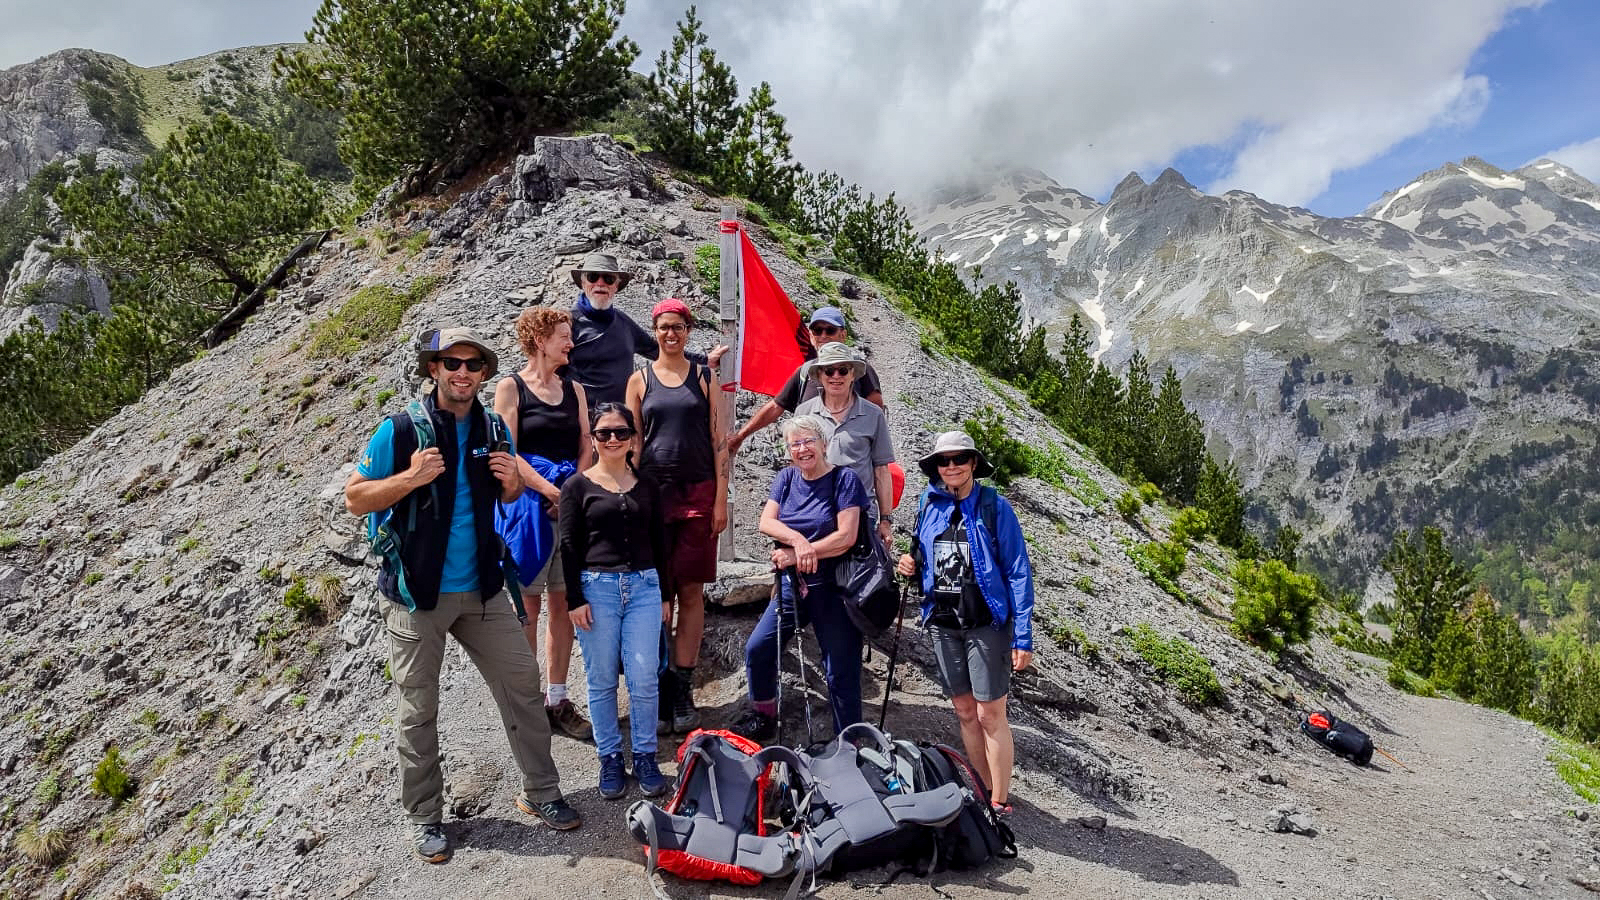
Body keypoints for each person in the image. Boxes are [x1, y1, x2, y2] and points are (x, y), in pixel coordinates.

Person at [343, 327, 581, 864]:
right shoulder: (401, 430)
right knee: (418, 709)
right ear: (433, 369)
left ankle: (541, 791)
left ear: (483, 373)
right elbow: (355, 498)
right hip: (415, 594)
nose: (463, 373)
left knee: (522, 684)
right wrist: (409, 478)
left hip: (482, 588)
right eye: (452, 363)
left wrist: (512, 483)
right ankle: (425, 817)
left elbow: (508, 496)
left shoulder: (492, 426)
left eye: (474, 365)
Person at [895, 432, 1034, 818]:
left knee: (990, 713)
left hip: (986, 621)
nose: (952, 466)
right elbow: (921, 556)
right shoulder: (927, 504)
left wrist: (1023, 636)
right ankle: (983, 789)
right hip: (943, 621)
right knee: (965, 711)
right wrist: (909, 565)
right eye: (944, 460)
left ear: (974, 463)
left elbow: (1018, 571)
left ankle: (999, 802)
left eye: (960, 459)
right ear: (936, 467)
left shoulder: (995, 507)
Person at [731, 415, 870, 742]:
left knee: (840, 668)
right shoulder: (787, 478)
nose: (803, 449)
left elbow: (846, 537)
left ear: (824, 444)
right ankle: (764, 716)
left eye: (809, 441)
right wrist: (798, 541)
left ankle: (848, 741)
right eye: (795, 444)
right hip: (793, 586)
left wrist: (797, 554)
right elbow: (767, 522)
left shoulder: (845, 480)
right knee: (759, 648)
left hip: (836, 588)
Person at [558, 403, 672, 801]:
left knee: (644, 677)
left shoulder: (648, 485)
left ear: (632, 438)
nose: (612, 439)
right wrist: (574, 599)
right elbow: (568, 546)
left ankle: (645, 755)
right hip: (597, 589)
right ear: (592, 439)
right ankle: (609, 757)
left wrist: (666, 595)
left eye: (620, 432)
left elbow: (660, 542)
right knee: (602, 678)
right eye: (603, 433)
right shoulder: (577, 487)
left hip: (644, 587)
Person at [625, 298, 728, 734]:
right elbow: (632, 443)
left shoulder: (705, 378)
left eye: (678, 327)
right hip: (653, 497)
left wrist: (721, 500)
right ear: (655, 331)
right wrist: (628, 499)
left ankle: (683, 688)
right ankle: (656, 687)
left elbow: (719, 440)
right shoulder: (639, 380)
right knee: (653, 596)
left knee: (690, 592)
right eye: (664, 327)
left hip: (698, 493)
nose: (671, 334)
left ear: (688, 331)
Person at [492, 307, 593, 741]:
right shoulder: (510, 388)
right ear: (539, 340)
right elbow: (507, 449)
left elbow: (586, 443)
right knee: (527, 608)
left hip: (567, 506)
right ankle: (526, 702)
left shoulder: (575, 389)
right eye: (563, 336)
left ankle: (558, 698)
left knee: (564, 603)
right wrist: (552, 492)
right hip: (527, 510)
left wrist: (572, 491)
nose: (570, 343)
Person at [565, 252, 724, 407]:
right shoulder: (567, 323)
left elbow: (656, 350)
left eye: (608, 279)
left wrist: (705, 361)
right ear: (583, 283)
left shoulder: (624, 323)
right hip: (580, 419)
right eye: (593, 277)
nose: (600, 283)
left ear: (616, 286)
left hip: (621, 419)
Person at [725, 306, 884, 457]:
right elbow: (775, 407)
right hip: (810, 460)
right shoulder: (804, 371)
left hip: (851, 460)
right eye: (817, 330)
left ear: (843, 335)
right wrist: (741, 436)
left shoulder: (860, 369)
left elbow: (876, 413)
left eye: (830, 330)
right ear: (810, 336)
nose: (823, 336)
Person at [794, 342, 896, 548]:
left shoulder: (874, 415)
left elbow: (881, 470)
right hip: (814, 511)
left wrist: (885, 520)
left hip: (860, 513)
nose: (836, 376)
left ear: (853, 375)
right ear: (820, 375)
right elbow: (795, 468)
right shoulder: (803, 413)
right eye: (829, 371)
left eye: (843, 370)